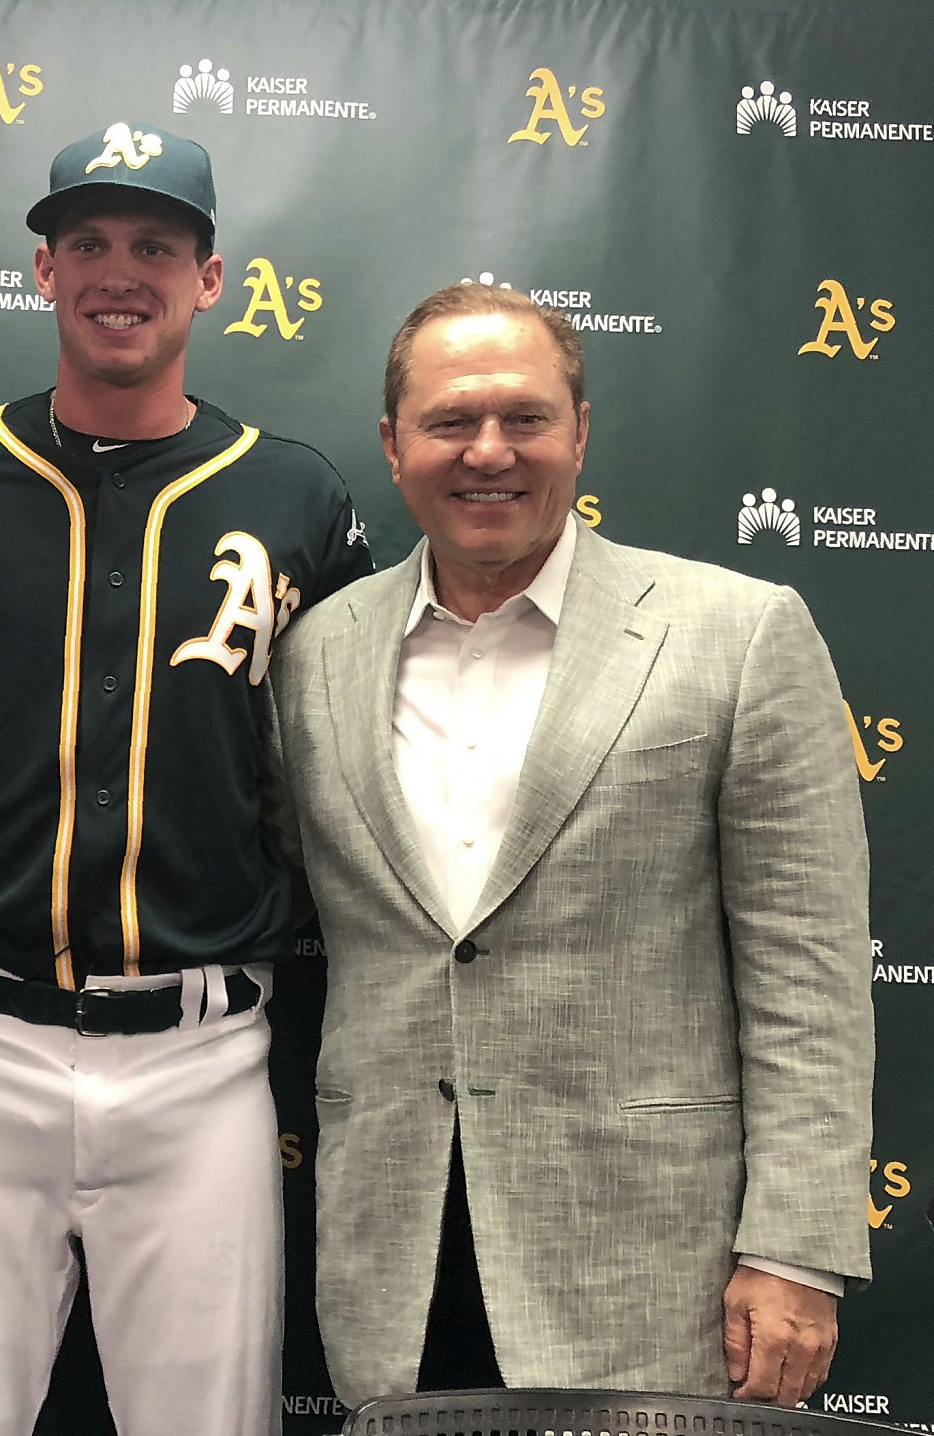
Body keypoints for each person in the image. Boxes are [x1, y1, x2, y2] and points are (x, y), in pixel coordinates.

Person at [269, 282, 874, 1405]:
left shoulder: (737, 634)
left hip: (654, 1264)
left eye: (524, 417)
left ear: (580, 433)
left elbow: (811, 971)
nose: (487, 451)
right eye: (450, 421)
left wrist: (793, 1250)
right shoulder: (313, 655)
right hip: (392, 1256)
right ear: (394, 444)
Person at [0, 121, 371, 1436]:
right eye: (86, 241)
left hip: (200, 1058)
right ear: (43, 271)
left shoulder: (296, 497)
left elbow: (340, 768)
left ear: (210, 279)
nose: (118, 271)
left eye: (157, 244)